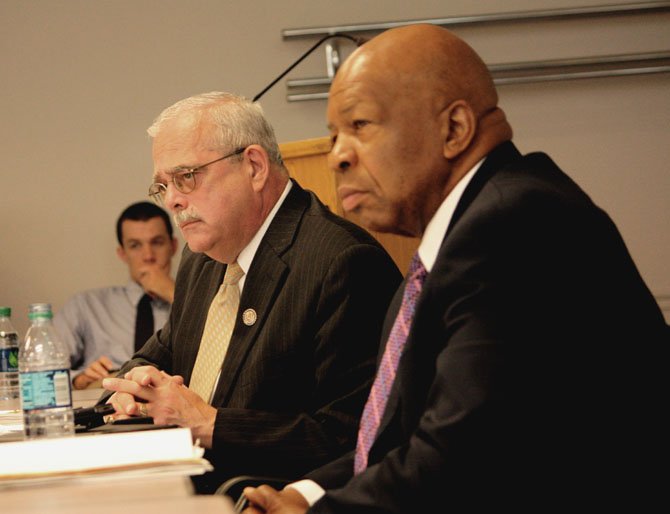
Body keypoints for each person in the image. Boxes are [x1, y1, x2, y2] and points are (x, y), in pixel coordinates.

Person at [241, 24, 669, 513]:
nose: (338, 155)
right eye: (334, 134)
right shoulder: (458, 241)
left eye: (360, 125)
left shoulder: (515, 226)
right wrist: (302, 492)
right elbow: (396, 437)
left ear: (455, 130)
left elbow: (460, 458)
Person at [100, 92, 402, 493]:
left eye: (186, 177)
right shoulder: (203, 258)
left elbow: (350, 437)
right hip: (179, 481)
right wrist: (133, 385)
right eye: (163, 185)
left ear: (254, 167)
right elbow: (161, 352)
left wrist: (209, 424)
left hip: (256, 496)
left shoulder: (342, 263)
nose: (172, 199)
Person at [54, 201, 178, 390]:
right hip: (105, 405)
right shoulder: (85, 305)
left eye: (157, 242)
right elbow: (42, 370)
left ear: (173, 246)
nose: (148, 256)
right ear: (122, 253)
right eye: (135, 245)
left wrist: (174, 292)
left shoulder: (199, 301)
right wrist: (78, 379)